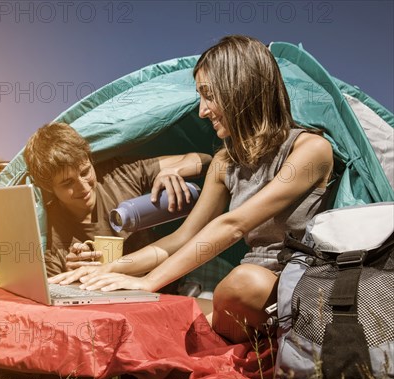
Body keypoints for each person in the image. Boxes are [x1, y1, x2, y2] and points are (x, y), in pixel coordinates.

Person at [49, 35, 334, 343]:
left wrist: (149, 281)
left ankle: (208, 330)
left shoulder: (310, 150)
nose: (202, 111)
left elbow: (233, 225)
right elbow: (183, 238)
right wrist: (110, 269)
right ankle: (203, 329)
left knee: (241, 284)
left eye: (209, 96)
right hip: (234, 297)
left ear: (241, 88)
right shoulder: (226, 162)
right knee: (146, 310)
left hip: (287, 286)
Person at [23, 122, 211, 280]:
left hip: (170, 278)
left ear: (90, 160)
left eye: (85, 172)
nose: (83, 187)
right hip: (114, 299)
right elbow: (49, 291)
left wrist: (173, 171)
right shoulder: (47, 227)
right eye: (67, 183)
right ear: (49, 187)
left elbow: (203, 159)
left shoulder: (120, 174)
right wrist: (71, 271)